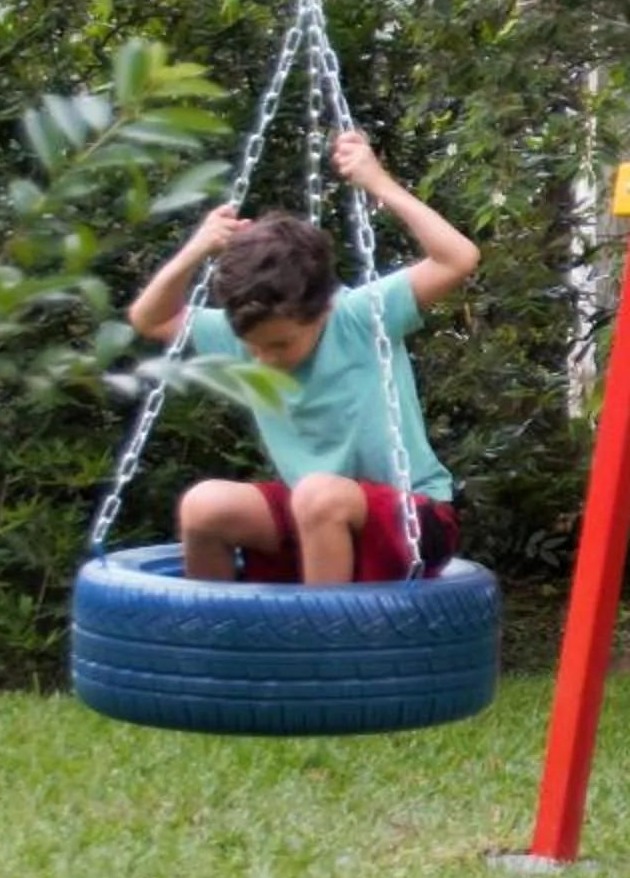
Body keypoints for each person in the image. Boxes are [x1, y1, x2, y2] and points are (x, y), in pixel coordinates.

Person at [126, 131, 480, 584]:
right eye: (253, 346)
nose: (263, 358)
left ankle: (322, 649)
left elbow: (458, 258)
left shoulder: (357, 317)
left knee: (316, 495)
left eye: (280, 345)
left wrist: (378, 182)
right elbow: (149, 319)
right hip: (313, 516)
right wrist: (196, 249)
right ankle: (214, 646)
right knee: (204, 505)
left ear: (321, 308)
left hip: (412, 518)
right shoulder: (245, 333)